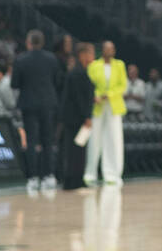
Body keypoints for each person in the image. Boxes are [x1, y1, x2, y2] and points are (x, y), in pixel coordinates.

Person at [13, 28, 63, 194]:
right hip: (48, 103)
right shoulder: (52, 59)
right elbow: (57, 80)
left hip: (29, 105)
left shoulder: (21, 59)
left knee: (32, 142)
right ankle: (49, 175)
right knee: (48, 141)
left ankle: (33, 177)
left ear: (28, 42)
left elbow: (14, 84)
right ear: (42, 43)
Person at [86, 39, 130, 186]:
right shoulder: (94, 66)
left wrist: (109, 95)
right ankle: (90, 173)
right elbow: (89, 84)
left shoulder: (119, 65)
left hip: (113, 106)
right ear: (102, 50)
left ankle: (112, 174)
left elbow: (122, 85)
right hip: (97, 106)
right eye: (106, 48)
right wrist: (96, 95)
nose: (109, 51)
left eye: (111, 48)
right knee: (94, 140)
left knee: (114, 140)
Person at [58, 44, 97, 191]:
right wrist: (86, 116)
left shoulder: (81, 72)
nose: (93, 57)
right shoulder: (77, 73)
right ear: (83, 55)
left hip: (75, 117)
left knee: (78, 150)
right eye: (91, 53)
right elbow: (79, 98)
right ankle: (72, 181)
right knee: (74, 150)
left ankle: (77, 179)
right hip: (75, 118)